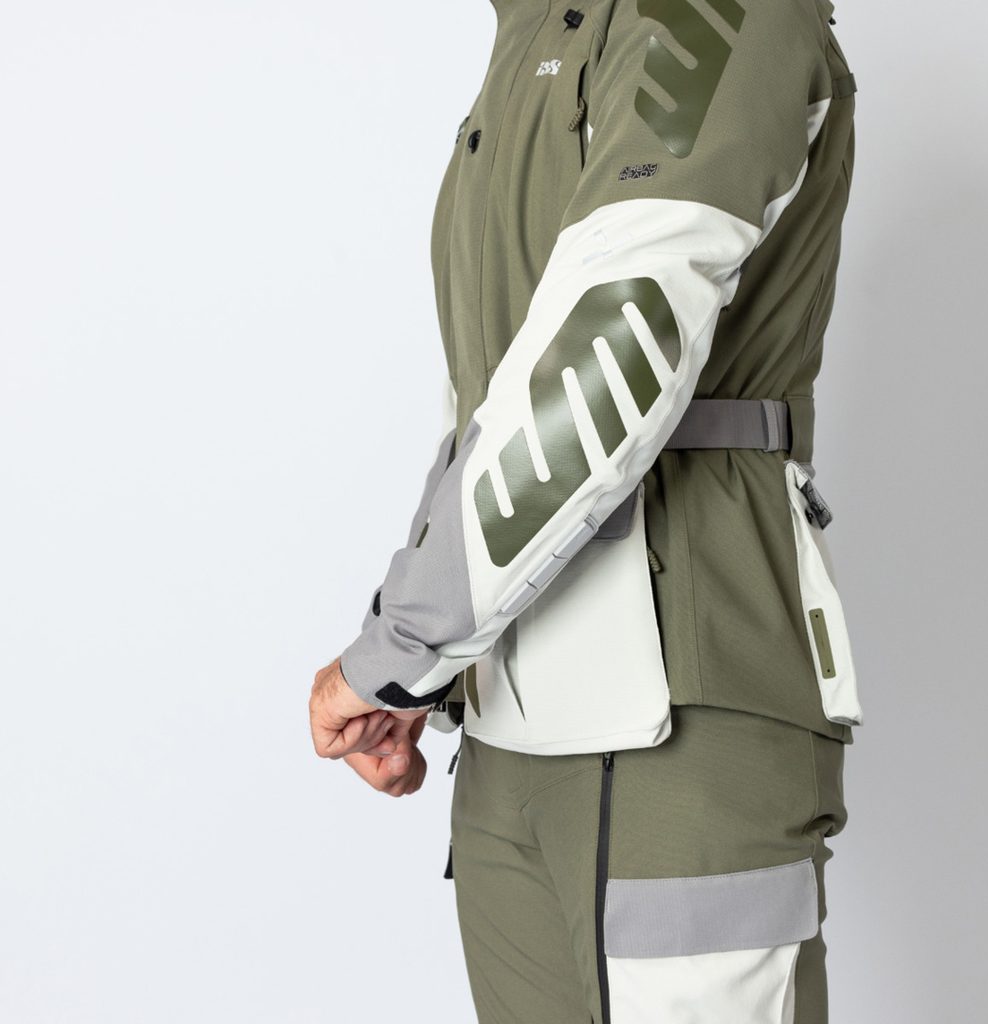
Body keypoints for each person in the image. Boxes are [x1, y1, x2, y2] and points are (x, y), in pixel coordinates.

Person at [309, 0, 862, 1019]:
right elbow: (488, 404)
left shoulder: (709, 12)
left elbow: (612, 350)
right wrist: (424, 662)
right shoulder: (525, 39)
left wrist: (404, 644)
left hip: (682, 718)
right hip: (503, 736)